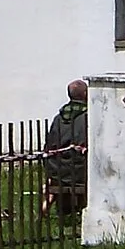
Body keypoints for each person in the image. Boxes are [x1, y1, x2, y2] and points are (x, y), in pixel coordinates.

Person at [42, 80, 89, 212]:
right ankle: (82, 207)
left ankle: (54, 209)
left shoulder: (58, 117)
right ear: (85, 94)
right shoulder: (88, 116)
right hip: (80, 171)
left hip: (56, 170)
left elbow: (48, 145)